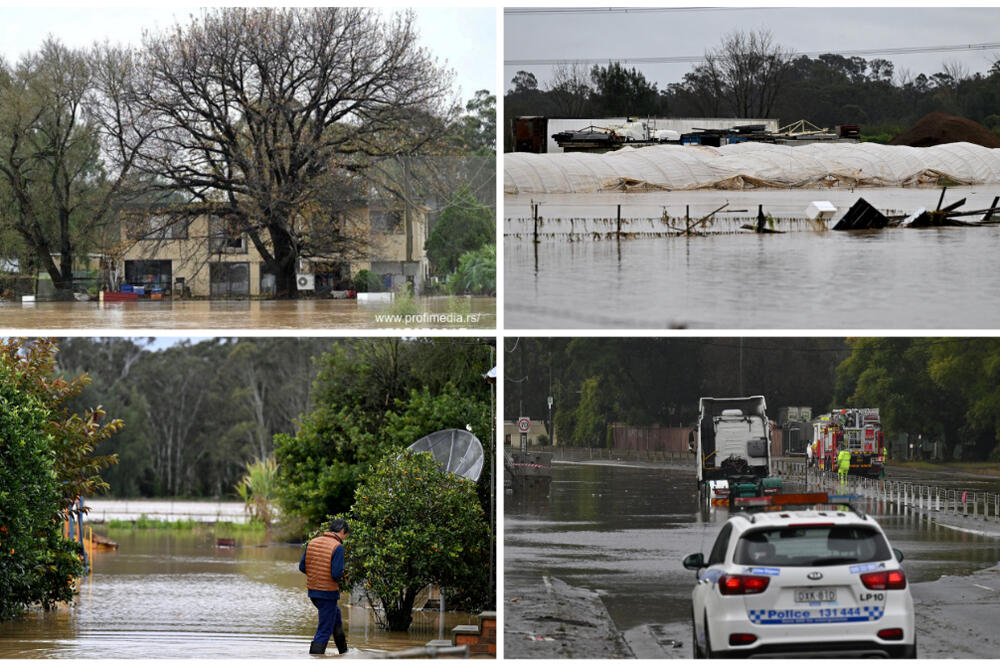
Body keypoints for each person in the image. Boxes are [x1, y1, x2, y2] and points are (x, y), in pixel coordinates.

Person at [299, 519, 350, 655]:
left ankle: (344, 653)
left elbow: (302, 567)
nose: (345, 538)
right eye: (346, 535)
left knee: (336, 617)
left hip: (313, 592)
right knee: (324, 629)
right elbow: (336, 574)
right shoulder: (337, 547)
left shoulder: (313, 542)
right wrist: (346, 576)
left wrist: (317, 576)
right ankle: (315, 657)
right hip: (327, 593)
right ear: (342, 532)